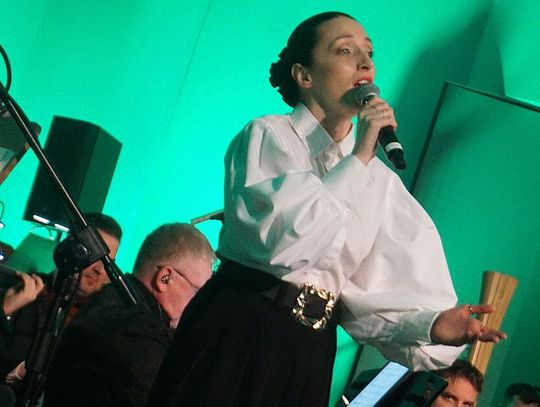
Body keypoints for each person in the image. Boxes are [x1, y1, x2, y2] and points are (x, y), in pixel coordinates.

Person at [148, 12, 506, 407]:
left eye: (369, 53)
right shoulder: (270, 135)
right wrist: (360, 156)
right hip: (239, 327)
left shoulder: (380, 183)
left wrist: (433, 325)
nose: (365, 63)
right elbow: (283, 246)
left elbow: (366, 303)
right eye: (345, 51)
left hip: (310, 349)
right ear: (304, 75)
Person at [43, 223, 214, 407]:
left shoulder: (115, 301)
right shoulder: (136, 332)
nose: (200, 304)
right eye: (197, 292)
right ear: (165, 278)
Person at [0, 212, 122, 385]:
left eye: (108, 262)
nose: (100, 270)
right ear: (72, 249)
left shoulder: (100, 320)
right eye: (96, 256)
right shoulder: (22, 290)